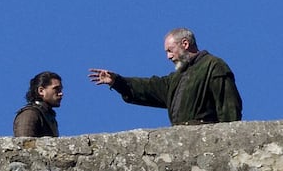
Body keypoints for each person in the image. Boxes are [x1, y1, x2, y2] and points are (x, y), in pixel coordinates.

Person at [89, 28, 242, 125]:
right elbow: (150, 88)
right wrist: (117, 82)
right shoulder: (176, 78)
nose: (168, 56)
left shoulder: (213, 66)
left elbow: (228, 108)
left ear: (185, 44)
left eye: (170, 50)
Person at [13, 71, 63, 137]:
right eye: (56, 89)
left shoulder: (49, 117)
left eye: (61, 90)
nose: (61, 93)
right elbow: (23, 142)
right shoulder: (30, 113)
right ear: (41, 91)